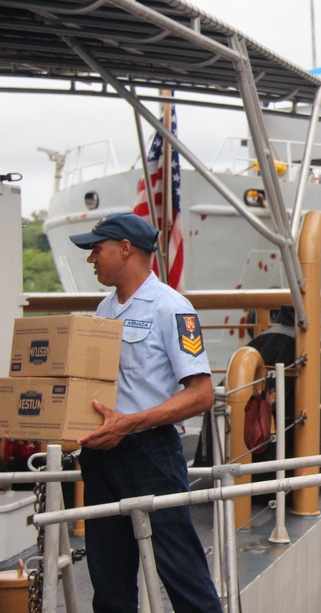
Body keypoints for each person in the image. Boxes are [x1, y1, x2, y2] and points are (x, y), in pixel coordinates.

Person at [69, 213, 221, 613]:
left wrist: (130, 423)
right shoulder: (104, 309)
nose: (91, 260)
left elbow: (202, 394)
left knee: (182, 573)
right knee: (109, 580)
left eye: (96, 250)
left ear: (125, 248)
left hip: (149, 455)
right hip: (102, 457)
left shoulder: (172, 308)